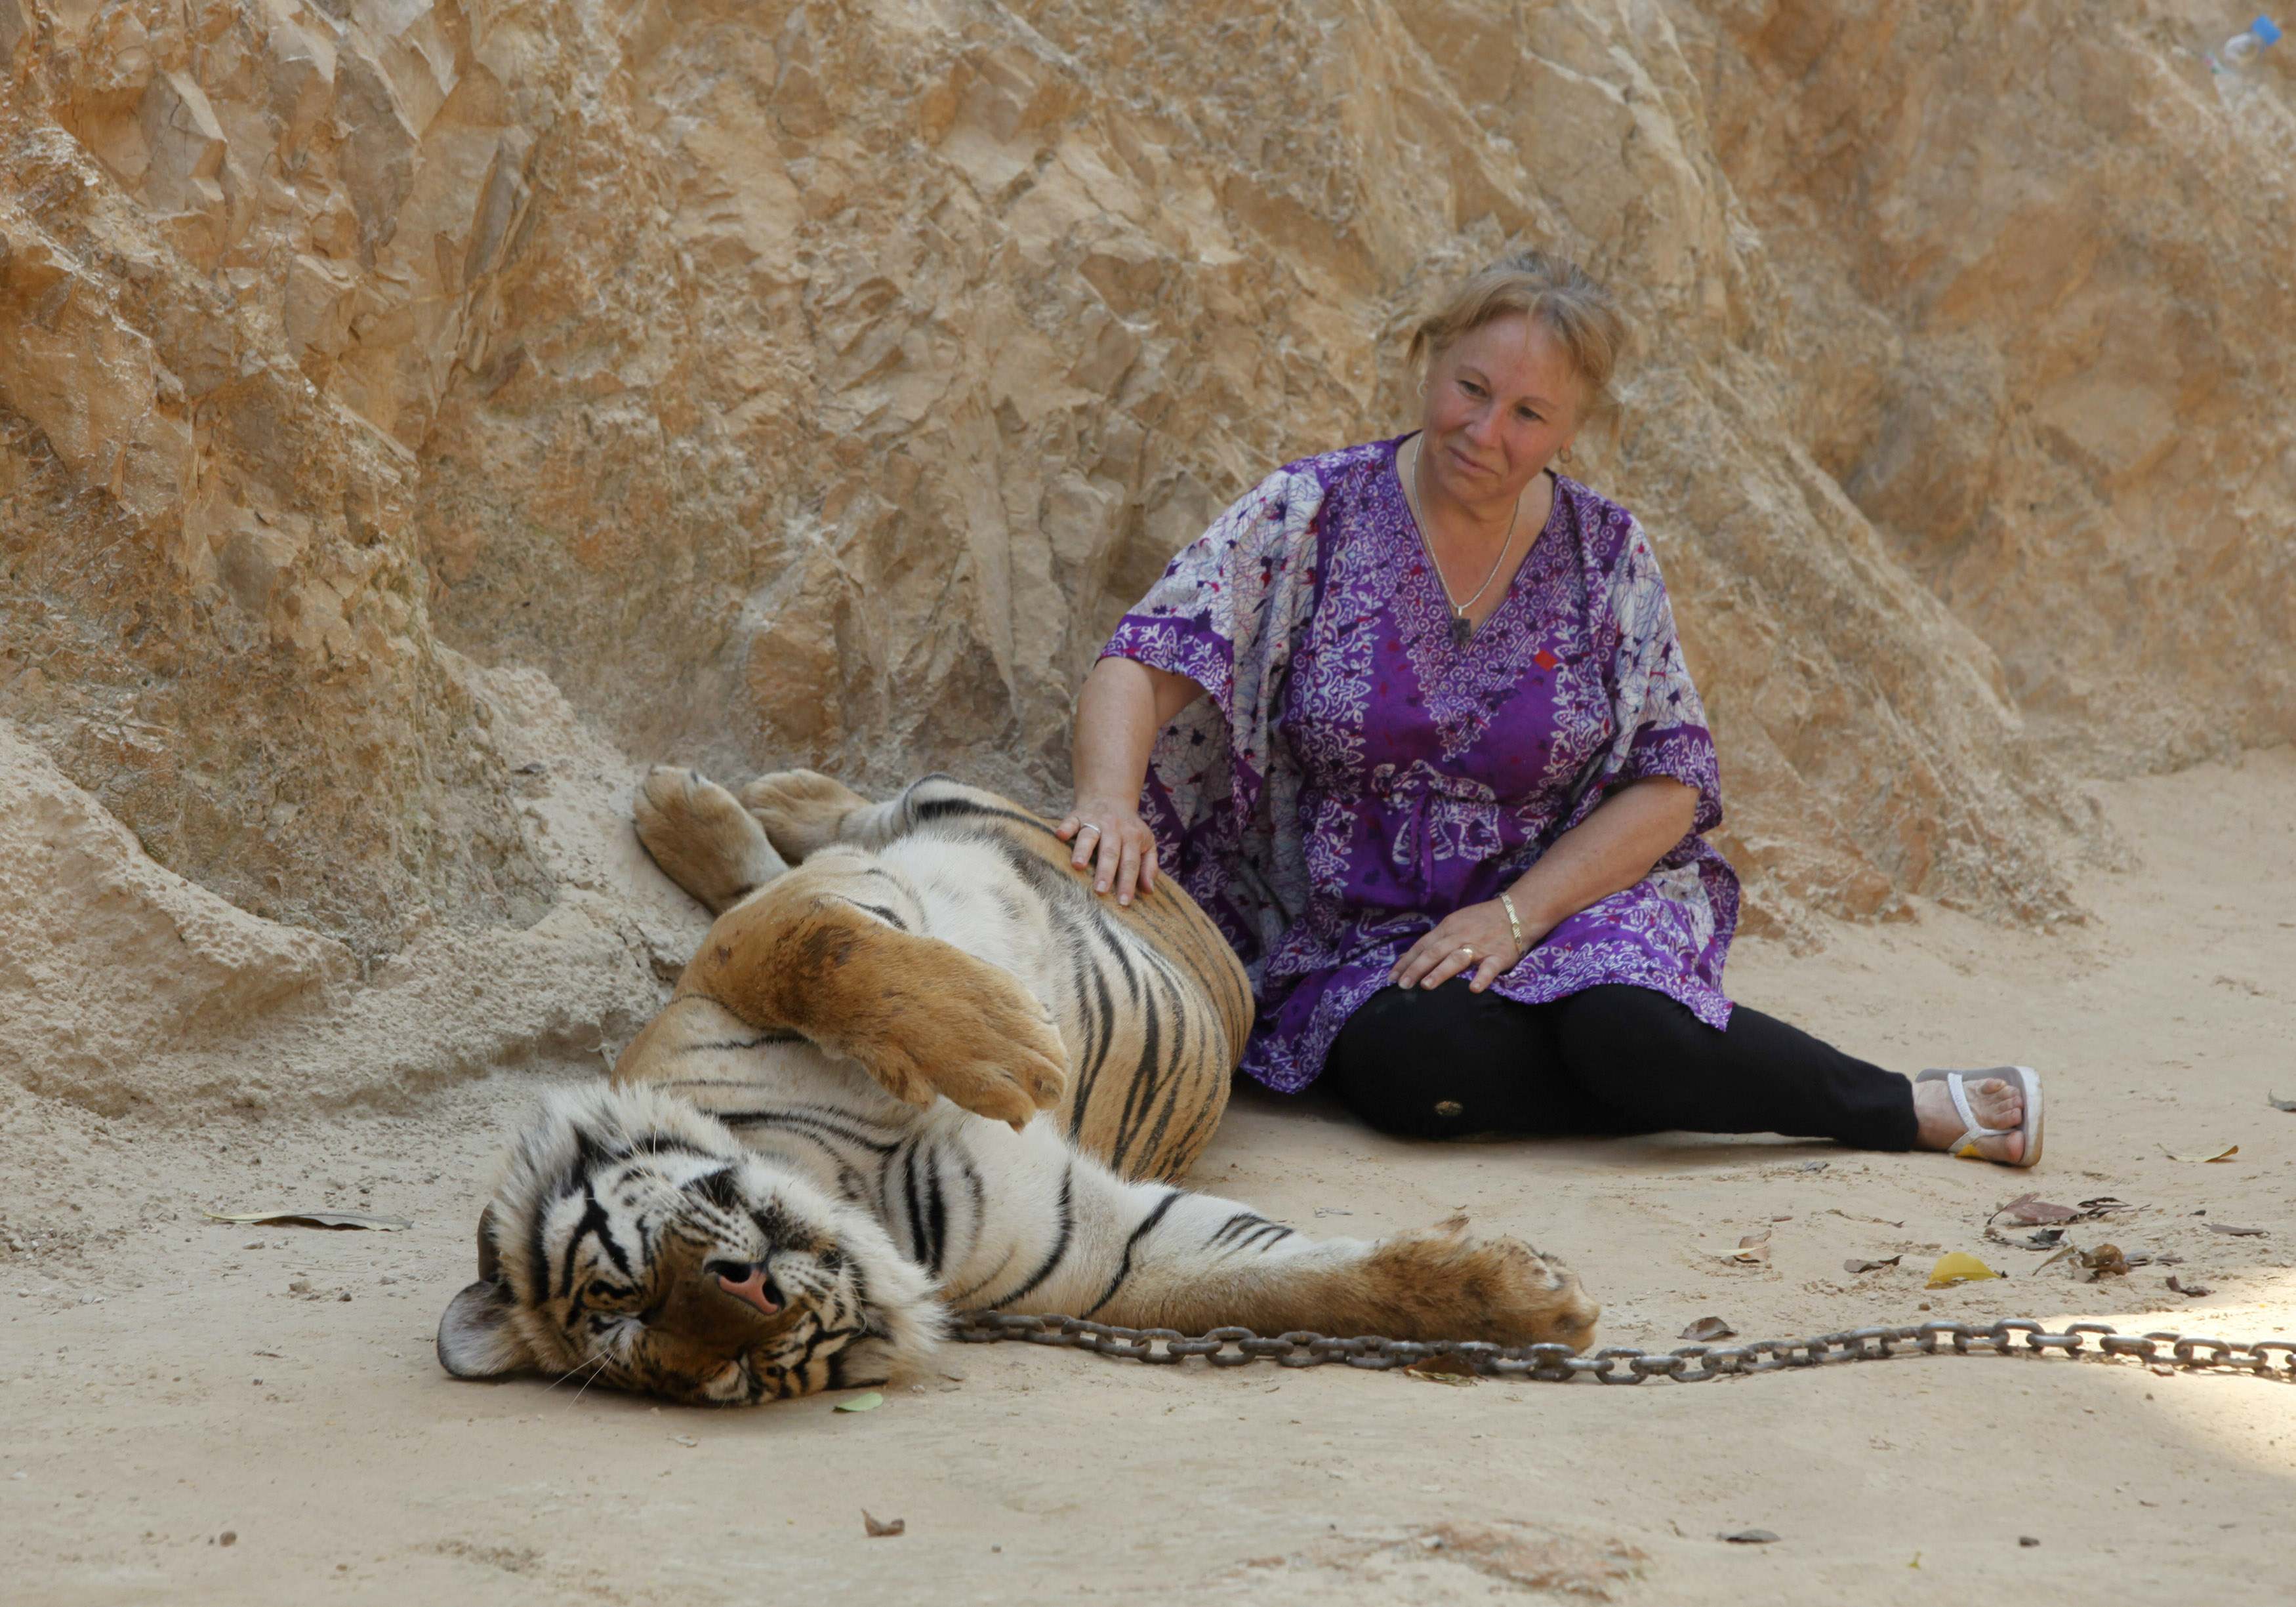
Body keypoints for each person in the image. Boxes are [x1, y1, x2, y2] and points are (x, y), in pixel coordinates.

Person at [1058, 251, 2043, 1167]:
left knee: (1629, 1023)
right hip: (1359, 942)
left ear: (1571, 429)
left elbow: (1671, 784)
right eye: (1472, 389)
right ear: (1429, 358)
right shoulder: (1308, 513)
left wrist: (1518, 915)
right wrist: (1108, 798)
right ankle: (1662, 1069)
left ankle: (1899, 1105)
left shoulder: (1607, 553)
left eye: (1529, 414)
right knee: (1416, 1063)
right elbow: (1143, 659)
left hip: (1566, 908)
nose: (1486, 433)